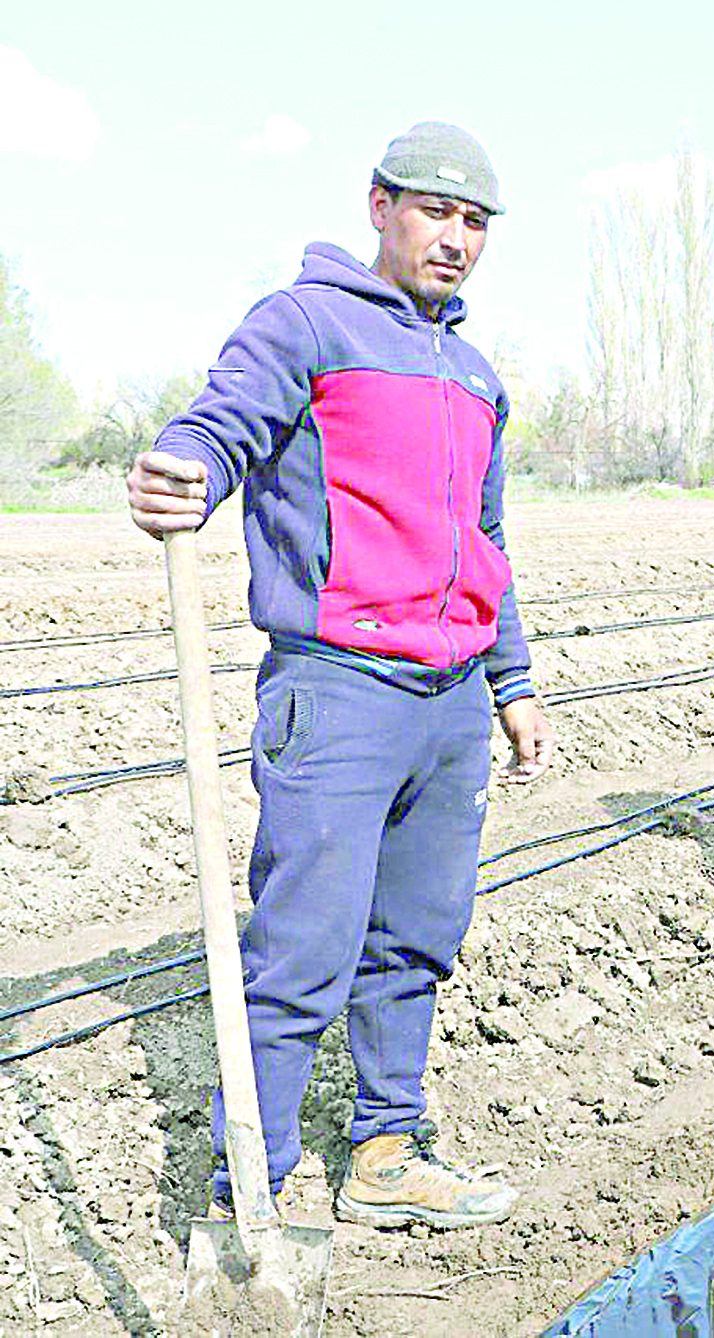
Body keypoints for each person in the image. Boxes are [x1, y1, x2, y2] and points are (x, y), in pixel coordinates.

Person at [126, 121, 554, 1227]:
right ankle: (247, 1197)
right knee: (301, 952)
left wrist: (511, 685)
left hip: (451, 701)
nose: (454, 239)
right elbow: (224, 422)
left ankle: (384, 1151)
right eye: (433, 212)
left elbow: (485, 537)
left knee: (415, 939)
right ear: (378, 207)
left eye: (474, 222)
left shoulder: (473, 372)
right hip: (341, 690)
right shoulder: (304, 321)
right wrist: (187, 466)